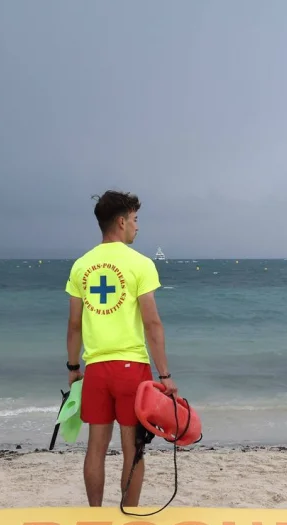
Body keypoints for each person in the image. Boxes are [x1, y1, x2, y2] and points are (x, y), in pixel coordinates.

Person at [64, 190, 177, 508]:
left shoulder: (81, 266)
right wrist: (165, 374)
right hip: (131, 369)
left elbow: (74, 326)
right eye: (135, 220)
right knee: (134, 448)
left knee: (95, 448)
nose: (138, 227)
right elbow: (152, 324)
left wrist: (74, 369)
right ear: (121, 221)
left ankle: (95, 517)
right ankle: (128, 514)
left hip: (97, 370)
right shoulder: (140, 264)